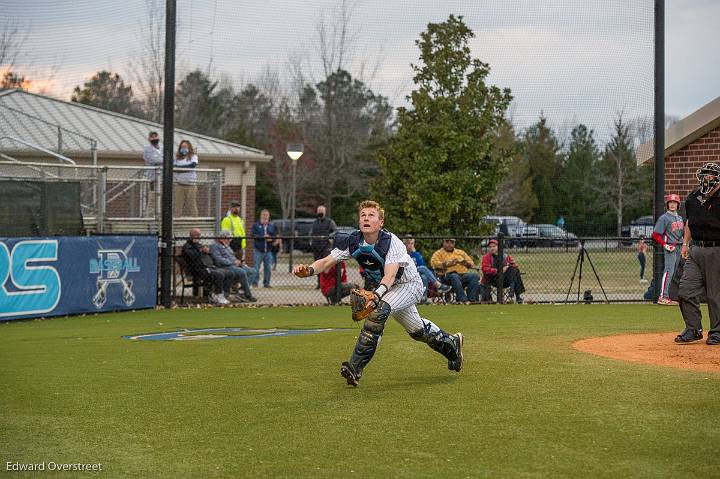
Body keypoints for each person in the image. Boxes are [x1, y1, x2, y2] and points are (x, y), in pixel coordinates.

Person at [292, 200, 463, 387]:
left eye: (371, 215)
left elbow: (390, 276)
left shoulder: (392, 242)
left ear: (381, 222)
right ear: (359, 221)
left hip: (408, 284)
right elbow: (325, 262)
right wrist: (308, 270)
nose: (366, 218)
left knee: (378, 312)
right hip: (388, 289)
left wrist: (376, 295)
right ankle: (453, 344)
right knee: (417, 331)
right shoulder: (353, 241)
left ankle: (355, 367)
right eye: (363, 215)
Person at [675, 162, 720, 345]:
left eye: (711, 175)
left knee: (714, 294)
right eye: (704, 174)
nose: (707, 178)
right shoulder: (693, 197)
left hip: (717, 248)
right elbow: (689, 223)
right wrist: (685, 244)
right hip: (695, 249)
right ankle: (693, 329)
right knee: (685, 289)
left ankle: (717, 332)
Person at [181, 228, 233, 305]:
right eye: (197, 235)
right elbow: (191, 256)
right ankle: (219, 295)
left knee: (229, 273)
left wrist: (208, 252)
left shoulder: (198, 245)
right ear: (192, 236)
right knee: (219, 275)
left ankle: (224, 294)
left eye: (199, 235)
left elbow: (208, 254)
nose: (199, 237)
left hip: (207, 267)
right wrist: (201, 251)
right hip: (197, 270)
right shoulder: (187, 246)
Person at [652, 193, 684, 305]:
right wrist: (664, 244)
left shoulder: (679, 218)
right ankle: (662, 297)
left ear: (678, 205)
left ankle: (667, 296)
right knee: (668, 271)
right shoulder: (664, 218)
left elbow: (681, 234)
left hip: (679, 246)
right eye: (670, 202)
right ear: (667, 204)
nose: (672, 204)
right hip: (670, 247)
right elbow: (655, 234)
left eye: (675, 202)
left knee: (673, 272)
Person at [209, 230, 258, 302]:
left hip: (234, 265)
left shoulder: (227, 246)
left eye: (230, 238)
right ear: (221, 238)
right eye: (228, 238)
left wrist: (240, 263)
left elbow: (233, 257)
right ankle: (248, 295)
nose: (229, 240)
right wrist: (233, 262)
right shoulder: (215, 246)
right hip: (224, 266)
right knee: (241, 272)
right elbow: (218, 260)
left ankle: (242, 291)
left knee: (253, 271)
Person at [403, 236, 452, 301]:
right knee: (422, 268)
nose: (411, 245)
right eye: (409, 243)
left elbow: (422, 264)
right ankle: (439, 285)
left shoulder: (416, 254)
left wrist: (414, 253)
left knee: (424, 277)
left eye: (412, 243)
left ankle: (423, 298)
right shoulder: (402, 254)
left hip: (416, 275)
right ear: (404, 244)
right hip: (406, 274)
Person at [480, 239, 525, 303]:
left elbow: (515, 265)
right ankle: (517, 295)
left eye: (494, 246)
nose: (492, 248)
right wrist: (499, 271)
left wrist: (507, 266)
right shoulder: (486, 257)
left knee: (514, 269)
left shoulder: (505, 256)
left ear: (498, 247)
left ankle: (513, 290)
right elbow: (485, 269)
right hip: (493, 280)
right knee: (515, 274)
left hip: (506, 280)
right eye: (490, 247)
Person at [310, 205, 337, 289]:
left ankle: (327, 283)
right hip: (316, 247)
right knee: (317, 266)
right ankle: (319, 283)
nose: (320, 213)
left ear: (325, 212)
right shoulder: (314, 222)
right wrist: (311, 241)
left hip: (326, 247)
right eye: (319, 211)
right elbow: (311, 233)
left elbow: (335, 231)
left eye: (322, 211)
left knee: (325, 266)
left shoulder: (330, 222)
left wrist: (330, 237)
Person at [251, 209, 279, 288]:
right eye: (264, 215)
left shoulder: (271, 226)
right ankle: (255, 283)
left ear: (269, 216)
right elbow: (253, 235)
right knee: (256, 267)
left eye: (267, 215)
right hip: (258, 250)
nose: (265, 217)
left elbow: (275, 236)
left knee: (268, 268)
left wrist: (271, 239)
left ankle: (266, 283)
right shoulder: (256, 225)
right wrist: (262, 237)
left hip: (268, 251)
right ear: (261, 216)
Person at [174, 140, 199, 217]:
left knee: (191, 204)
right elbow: (174, 168)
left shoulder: (193, 156)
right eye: (182, 147)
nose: (183, 148)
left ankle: (195, 222)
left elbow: (192, 165)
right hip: (180, 184)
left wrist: (180, 169)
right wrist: (183, 169)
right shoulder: (177, 158)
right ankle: (176, 222)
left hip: (191, 185)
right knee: (178, 204)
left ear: (189, 147)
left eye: (185, 147)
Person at [142, 131, 163, 216]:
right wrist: (164, 160)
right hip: (153, 179)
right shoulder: (147, 150)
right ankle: (149, 219)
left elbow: (171, 159)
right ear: (149, 139)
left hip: (164, 178)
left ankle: (161, 217)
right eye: (152, 137)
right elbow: (155, 161)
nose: (154, 139)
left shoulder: (163, 148)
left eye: (156, 137)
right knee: (153, 199)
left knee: (163, 199)